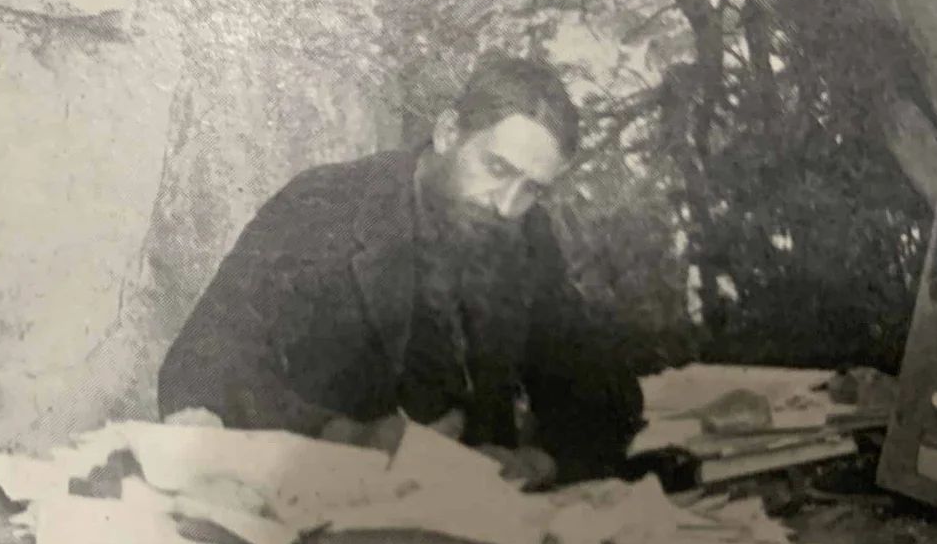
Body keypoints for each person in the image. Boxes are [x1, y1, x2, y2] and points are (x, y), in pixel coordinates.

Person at [157, 54, 644, 485]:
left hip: (463, 520)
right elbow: (203, 361)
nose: (507, 206)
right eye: (497, 169)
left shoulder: (526, 234)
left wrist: (539, 462)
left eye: (532, 189)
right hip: (316, 495)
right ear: (448, 132)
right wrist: (341, 434)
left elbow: (604, 392)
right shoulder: (327, 204)